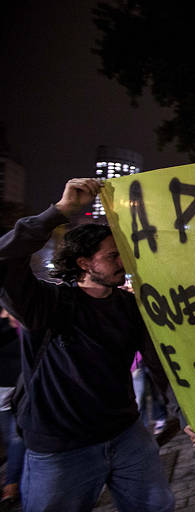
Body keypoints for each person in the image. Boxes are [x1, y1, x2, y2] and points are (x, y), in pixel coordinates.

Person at [0, 178, 176, 512]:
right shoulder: (46, 304)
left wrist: (182, 411)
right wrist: (60, 211)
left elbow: (159, 362)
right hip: (61, 450)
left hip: (127, 436)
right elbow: (6, 257)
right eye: (112, 257)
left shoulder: (129, 307)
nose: (122, 263)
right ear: (84, 263)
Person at [0, 308, 25, 511]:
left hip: (15, 384)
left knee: (15, 436)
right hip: (6, 387)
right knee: (13, 438)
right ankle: (14, 481)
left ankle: (12, 483)